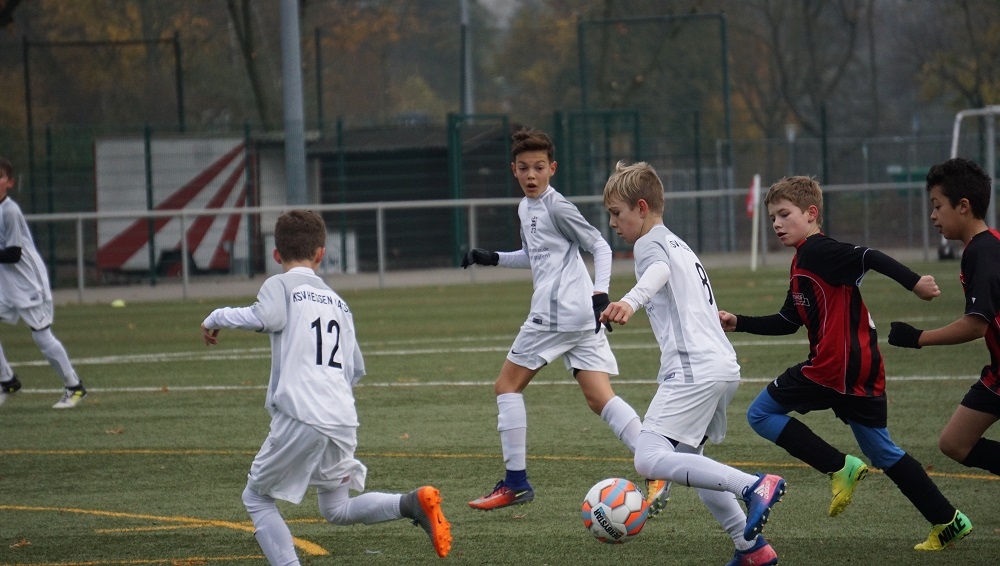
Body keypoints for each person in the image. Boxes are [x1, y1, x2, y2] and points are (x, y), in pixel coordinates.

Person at [719, 175, 972, 552]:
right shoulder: (802, 260)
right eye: (772, 217)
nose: (776, 224)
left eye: (784, 214)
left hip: (835, 366)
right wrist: (738, 322)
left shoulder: (819, 251)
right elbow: (788, 320)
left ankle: (840, 466)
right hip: (860, 368)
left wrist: (915, 282)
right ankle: (948, 520)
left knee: (760, 413)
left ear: (811, 213)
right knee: (883, 452)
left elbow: (868, 256)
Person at [201, 210, 451, 564]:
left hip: (302, 412)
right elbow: (354, 368)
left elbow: (265, 317)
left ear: (276, 254)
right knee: (336, 508)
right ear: (320, 254)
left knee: (256, 498)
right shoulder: (339, 303)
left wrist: (216, 316)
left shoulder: (280, 284)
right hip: (341, 416)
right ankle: (410, 503)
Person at [599, 161, 784, 566]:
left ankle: (753, 486)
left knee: (648, 458)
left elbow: (657, 273)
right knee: (693, 463)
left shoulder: (649, 245)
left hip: (693, 369)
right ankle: (751, 548)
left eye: (616, 213)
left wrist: (629, 301)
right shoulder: (678, 242)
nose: (612, 222)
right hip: (721, 365)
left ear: (641, 207)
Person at [462, 128, 646, 511]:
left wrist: (601, 294)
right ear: (513, 170)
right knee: (600, 398)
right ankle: (657, 461)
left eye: (539, 167)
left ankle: (516, 483)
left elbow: (599, 245)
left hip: (557, 313)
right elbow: (535, 256)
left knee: (506, 387)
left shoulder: (557, 206)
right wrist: (492, 258)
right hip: (579, 317)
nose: (531, 175)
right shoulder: (525, 207)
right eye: (524, 168)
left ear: (552, 169)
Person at [889, 157, 1000, 478]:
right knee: (955, 443)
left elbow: (976, 325)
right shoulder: (983, 246)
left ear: (963, 206)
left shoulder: (983, 251)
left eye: (938, 206)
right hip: (997, 373)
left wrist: (917, 338)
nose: (933, 215)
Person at [0, 157, 87, 409]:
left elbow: (13, 254)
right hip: (7, 283)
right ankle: (7, 381)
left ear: (10, 183)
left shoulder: (10, 211)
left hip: (28, 282)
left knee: (42, 336)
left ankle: (74, 387)